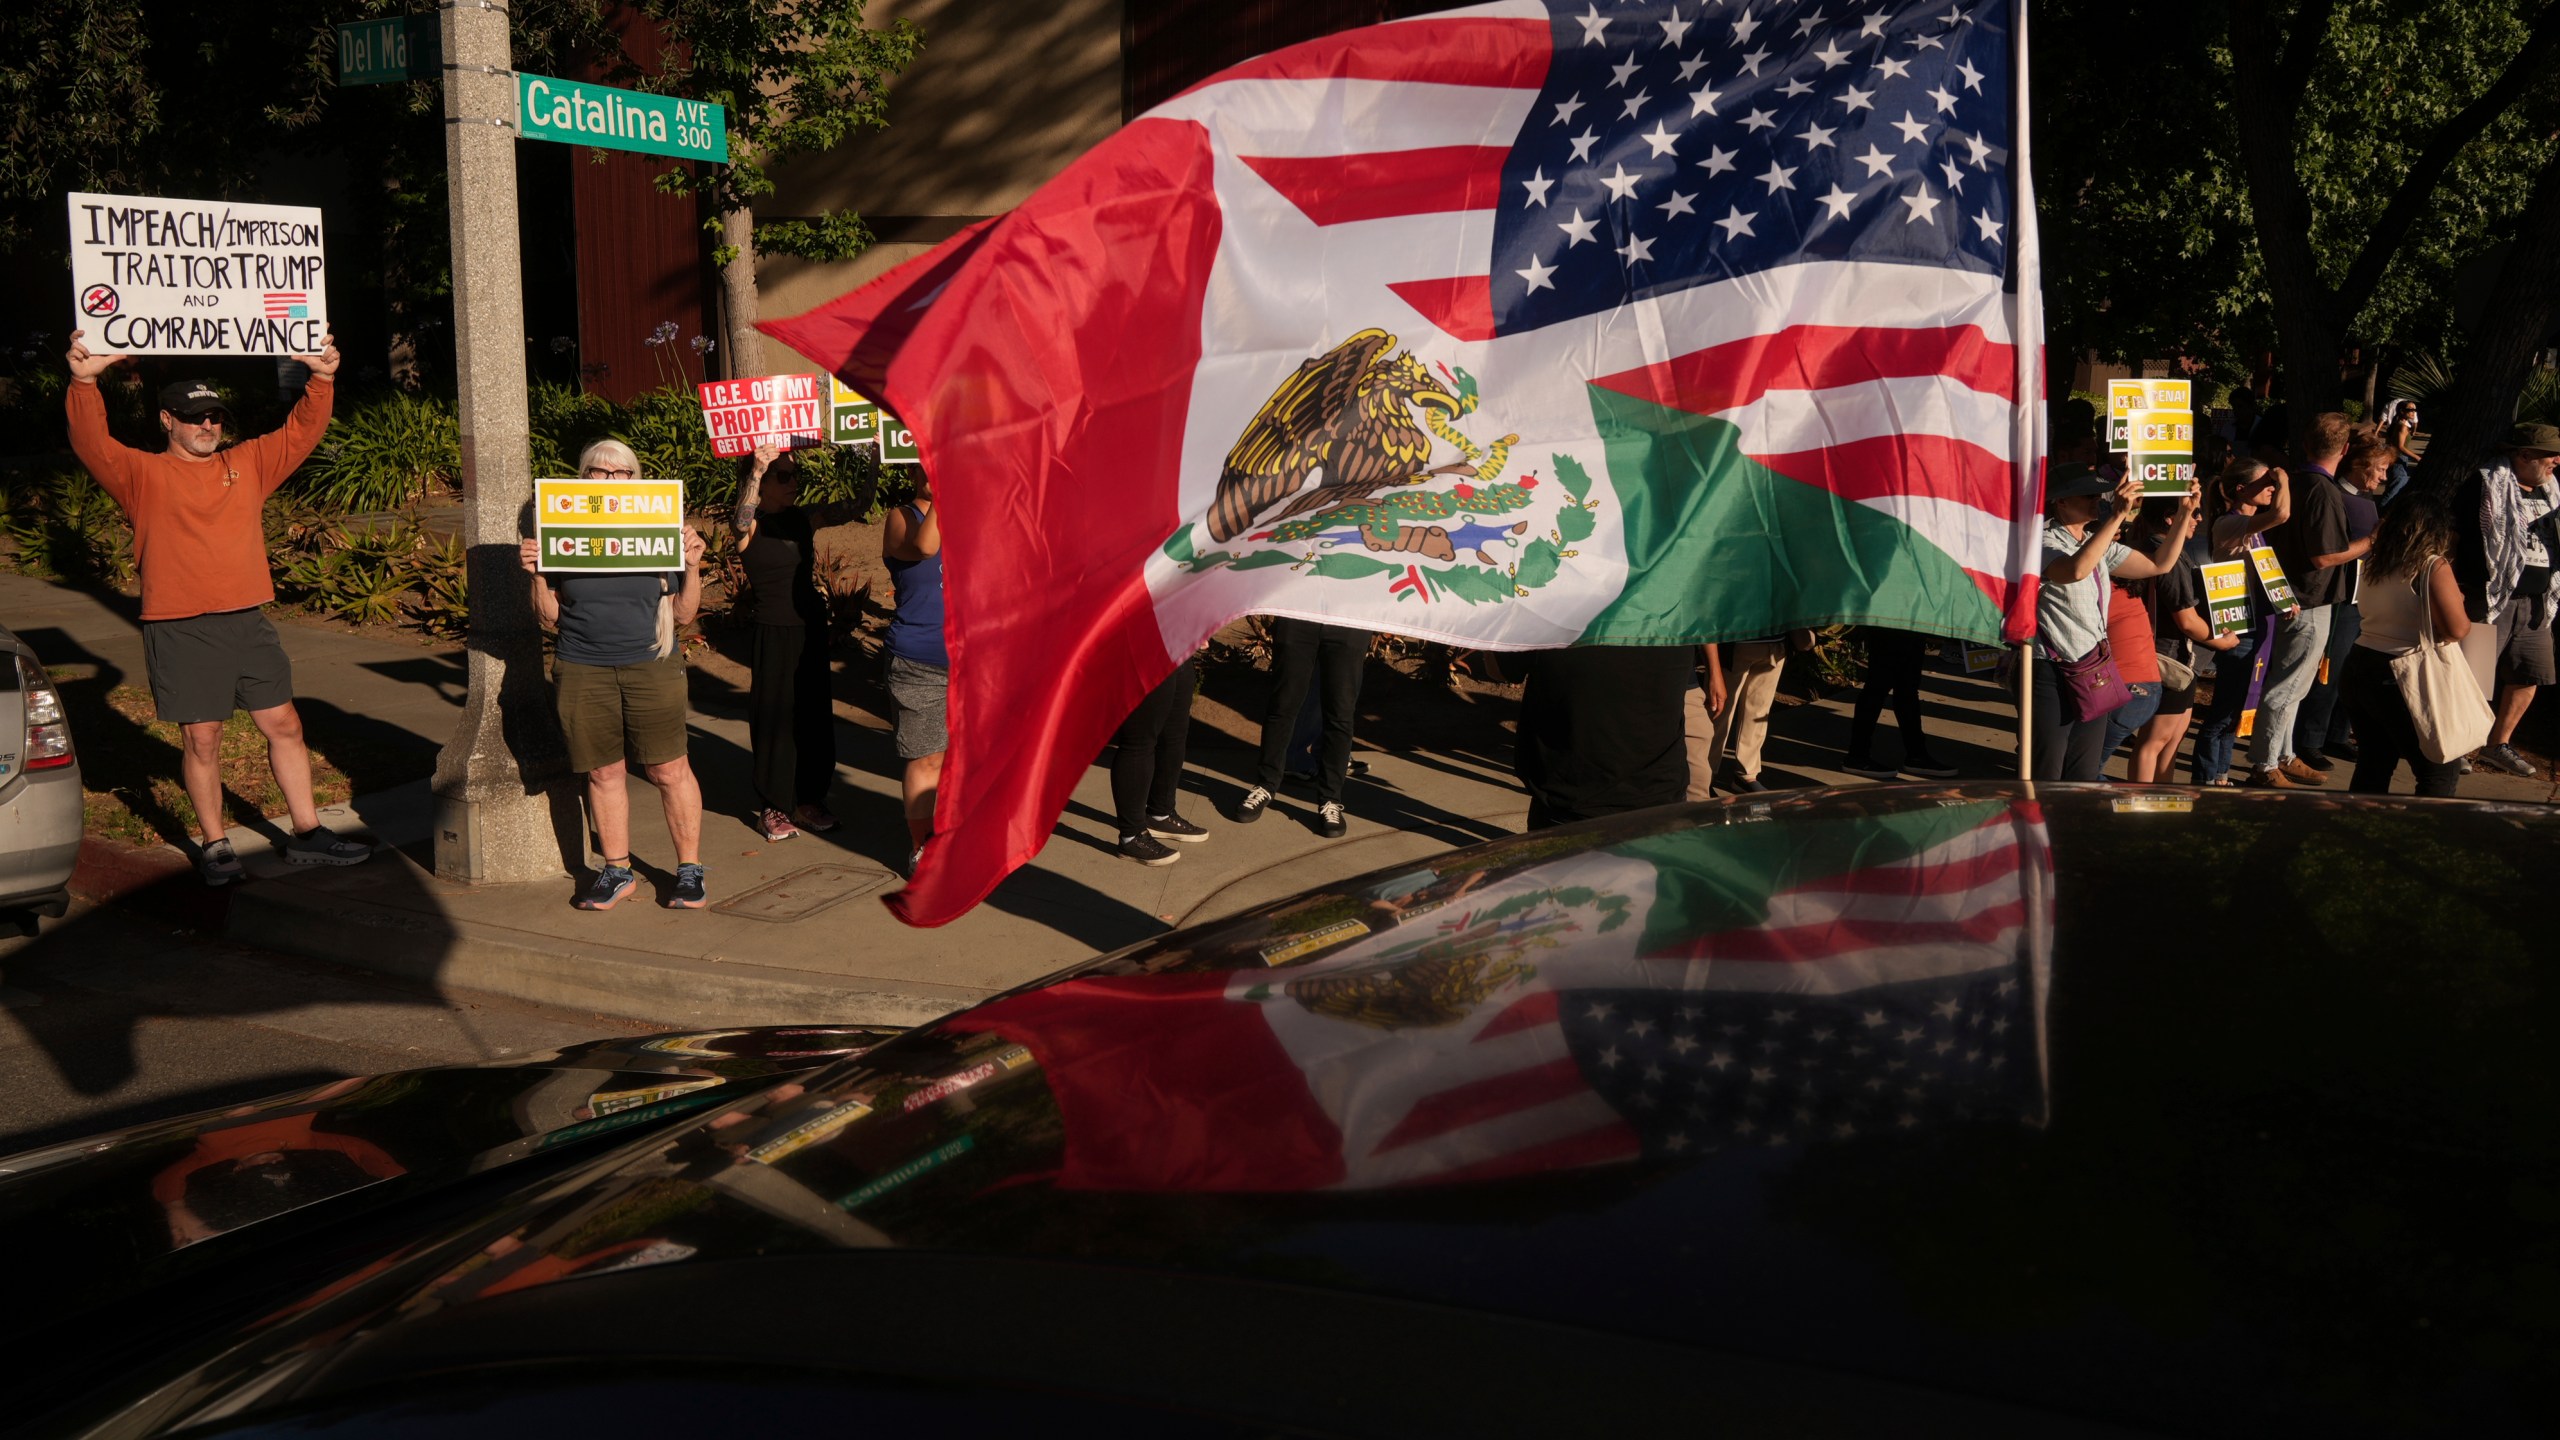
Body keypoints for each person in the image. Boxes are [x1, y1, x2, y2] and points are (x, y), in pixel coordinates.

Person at [62, 328, 375, 886]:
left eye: (215, 418)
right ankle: (215, 843)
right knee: (202, 737)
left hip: (246, 619)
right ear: (167, 421)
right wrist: (85, 382)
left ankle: (307, 833)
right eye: (193, 417)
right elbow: (92, 442)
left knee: (285, 724)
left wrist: (322, 376)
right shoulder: (141, 474)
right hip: (179, 626)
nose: (207, 426)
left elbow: (302, 431)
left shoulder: (247, 464)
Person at [519, 440, 710, 910]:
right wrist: (536, 573)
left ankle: (689, 870)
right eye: (599, 472)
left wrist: (693, 566)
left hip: (652, 663)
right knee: (604, 772)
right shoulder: (560, 528)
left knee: (668, 768)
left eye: (621, 472)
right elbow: (548, 617)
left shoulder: (657, 523)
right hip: (583, 665)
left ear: (636, 481)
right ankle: (617, 871)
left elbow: (684, 615)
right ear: (583, 480)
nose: (610, 480)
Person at [2034, 466, 2197, 781]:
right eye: (2087, 495)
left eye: (2098, 494)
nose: (2097, 500)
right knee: (2048, 771)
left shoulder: (2098, 541)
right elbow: (2075, 570)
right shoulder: (2040, 541)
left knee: (2082, 771)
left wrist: (2182, 514)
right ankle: (2037, 829)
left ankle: (2072, 828)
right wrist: (2116, 517)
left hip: (2094, 669)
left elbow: (2158, 564)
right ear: (2061, 502)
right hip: (2051, 671)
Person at [732, 443, 843, 842]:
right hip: (773, 630)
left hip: (809, 627)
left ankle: (809, 800)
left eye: (795, 474)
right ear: (762, 483)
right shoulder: (750, 526)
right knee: (774, 718)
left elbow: (857, 505)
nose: (794, 482)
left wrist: (875, 458)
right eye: (784, 475)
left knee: (814, 718)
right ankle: (773, 806)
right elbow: (740, 521)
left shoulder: (802, 519)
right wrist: (757, 471)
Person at [2244, 412, 2356, 789]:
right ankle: (2264, 764)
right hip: (2308, 599)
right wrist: (2367, 544)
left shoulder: (2297, 482)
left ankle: (2283, 755)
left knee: (2294, 684)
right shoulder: (2321, 490)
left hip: (2293, 596)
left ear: (2306, 444)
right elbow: (2323, 556)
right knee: (2288, 686)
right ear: (2345, 449)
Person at [2344, 490, 2471, 797]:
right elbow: (2457, 628)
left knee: (2373, 762)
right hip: (2404, 671)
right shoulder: (2432, 566)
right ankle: (2423, 838)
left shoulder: (2377, 561)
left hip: (2361, 662)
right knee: (2439, 769)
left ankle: (2352, 832)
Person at [2458, 422, 2560, 778]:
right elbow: (2465, 538)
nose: (2556, 462)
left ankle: (2496, 745)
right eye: (2549, 455)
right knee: (2474, 676)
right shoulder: (2487, 485)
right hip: (2493, 598)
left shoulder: (2553, 491)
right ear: (2524, 455)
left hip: (2536, 603)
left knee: (2530, 674)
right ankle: (2458, 746)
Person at [2188, 459, 2295, 785]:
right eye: (2265, 482)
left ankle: (2220, 776)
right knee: (2222, 711)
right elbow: (2282, 513)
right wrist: (2284, 475)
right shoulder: (2229, 523)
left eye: (2273, 483)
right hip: (2238, 625)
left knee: (2236, 711)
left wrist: (2285, 599)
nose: (2272, 488)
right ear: (2240, 490)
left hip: (2258, 621)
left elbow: (2265, 570)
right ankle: (2207, 780)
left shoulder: (2252, 526)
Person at [1516, 644, 1694, 827]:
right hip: (1659, 798)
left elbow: (1503, 669)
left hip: (1570, 798)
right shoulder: (1674, 624)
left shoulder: (1554, 622)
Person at [2294, 425, 2389, 766]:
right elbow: (2329, 550)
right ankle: (2309, 739)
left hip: (2361, 596)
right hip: (2336, 595)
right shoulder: (2335, 495)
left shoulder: (2365, 500)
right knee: (2327, 671)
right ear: (2359, 464)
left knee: (2351, 671)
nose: (2382, 477)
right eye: (2379, 469)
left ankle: (2337, 733)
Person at [2125, 500, 2233, 785]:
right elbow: (2186, 619)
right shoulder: (2166, 555)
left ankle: (2159, 803)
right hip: (2167, 659)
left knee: (2170, 739)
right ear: (2170, 519)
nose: (2199, 518)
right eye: (2193, 512)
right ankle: (2141, 809)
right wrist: (2220, 641)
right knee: (2156, 741)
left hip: (2172, 658)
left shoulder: (2153, 547)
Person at [1234, 620, 1372, 838]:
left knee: (1340, 714)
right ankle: (1265, 785)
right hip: (1300, 616)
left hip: (1349, 621)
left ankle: (1330, 800)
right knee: (1282, 706)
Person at [882, 473, 948, 872]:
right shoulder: (900, 518)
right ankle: (923, 845)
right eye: (928, 466)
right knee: (926, 759)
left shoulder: (970, 519)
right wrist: (947, 491)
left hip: (975, 658)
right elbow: (925, 547)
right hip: (919, 660)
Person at [1110, 657, 1206, 865]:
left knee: (1174, 735)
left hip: (1178, 645)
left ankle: (1160, 814)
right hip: (1145, 647)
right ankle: (1131, 837)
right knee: (1139, 740)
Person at [1841, 628, 1958, 780]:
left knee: (1907, 687)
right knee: (1879, 685)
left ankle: (1917, 754)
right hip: (1891, 620)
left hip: (1912, 620)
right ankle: (1857, 755)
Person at [1683, 635, 1782, 798]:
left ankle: (1747, 774)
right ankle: (1706, 777)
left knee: (1758, 712)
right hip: (1734, 641)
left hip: (1775, 640)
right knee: (1718, 714)